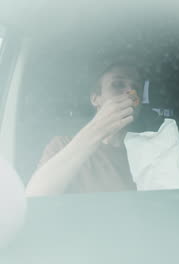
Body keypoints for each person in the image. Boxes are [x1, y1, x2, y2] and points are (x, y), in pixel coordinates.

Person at [26, 62, 144, 196]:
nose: (131, 93)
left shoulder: (152, 149)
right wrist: (97, 128)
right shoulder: (63, 145)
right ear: (95, 99)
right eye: (118, 85)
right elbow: (35, 196)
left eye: (136, 87)